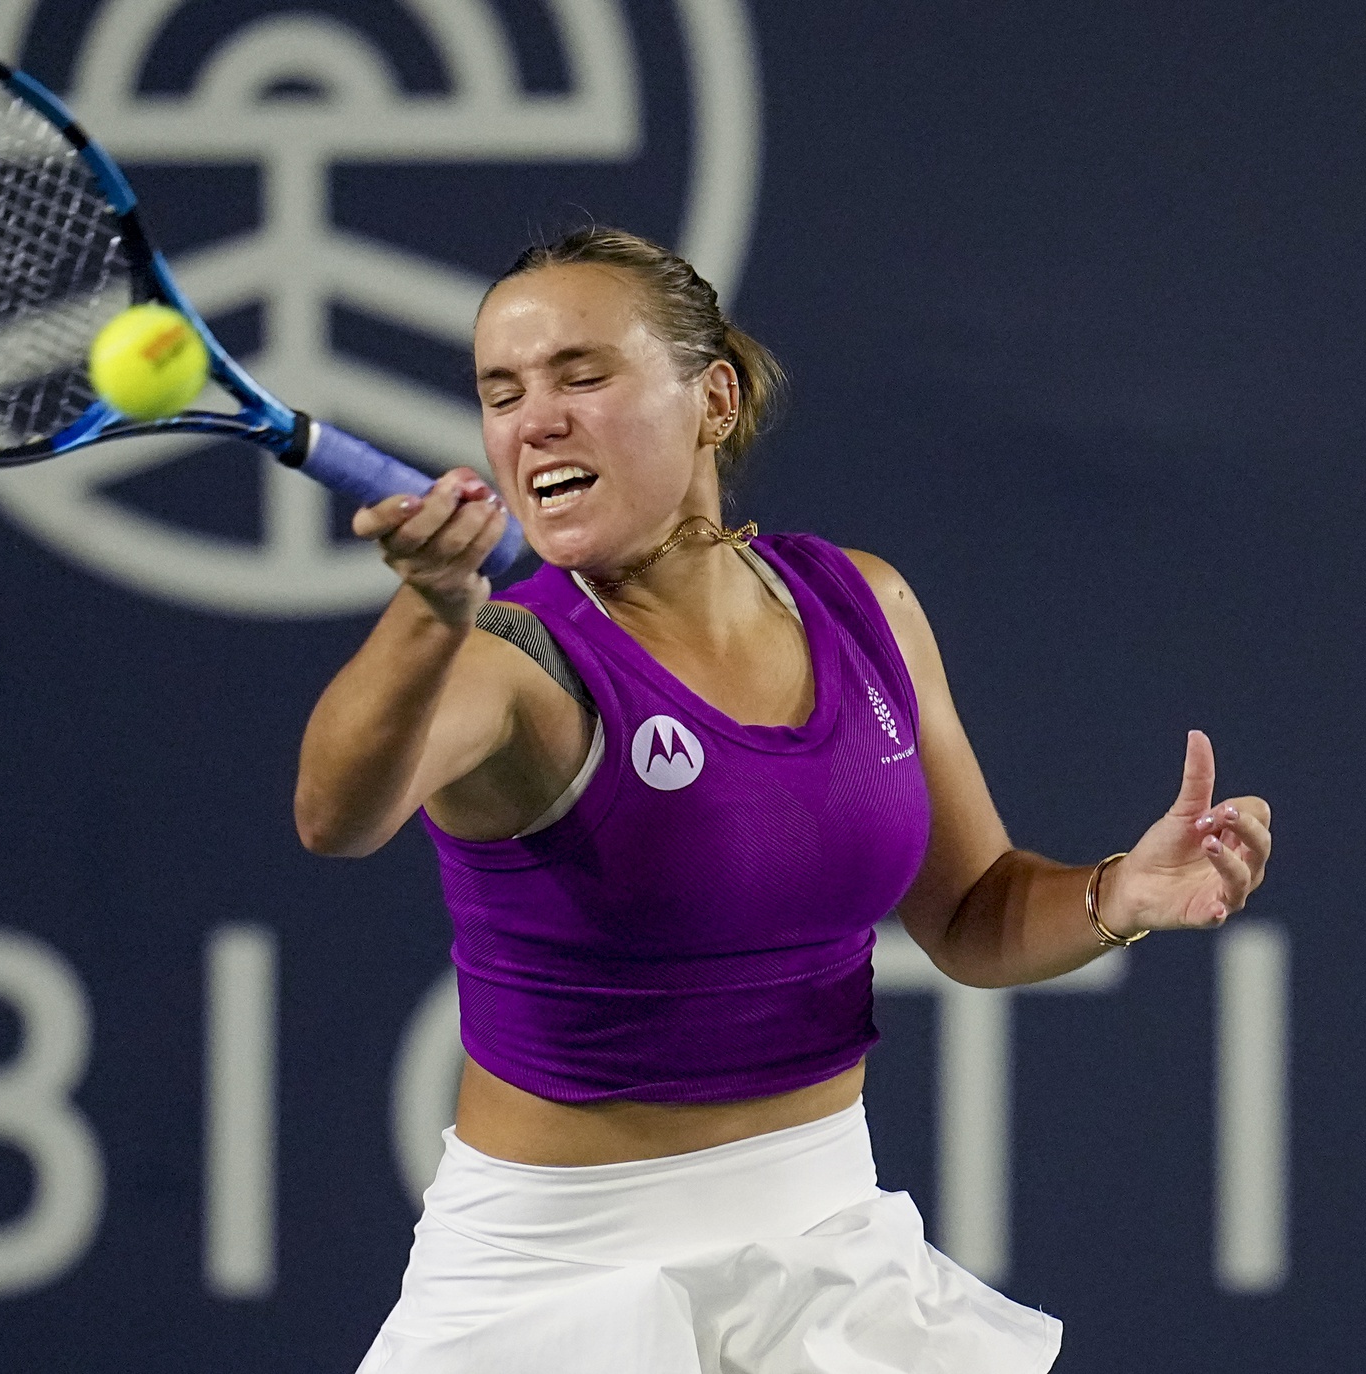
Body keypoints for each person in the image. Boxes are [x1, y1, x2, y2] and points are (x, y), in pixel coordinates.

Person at [296, 227, 1272, 1374]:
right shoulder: (513, 661)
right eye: (500, 393)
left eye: (581, 375)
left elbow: (973, 914)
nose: (533, 422)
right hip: (554, 1287)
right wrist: (429, 610)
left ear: (712, 399)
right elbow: (336, 815)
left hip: (826, 1247)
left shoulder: (864, 602)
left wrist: (1123, 890)